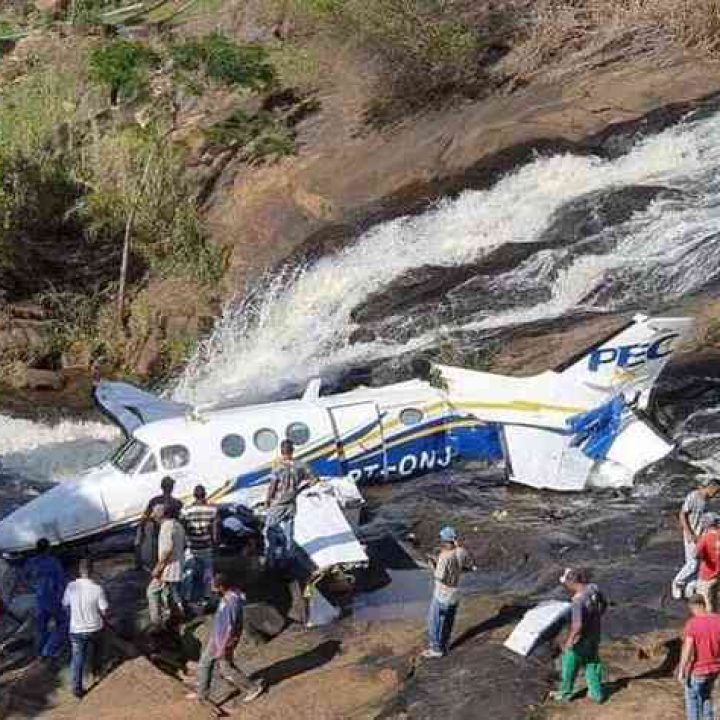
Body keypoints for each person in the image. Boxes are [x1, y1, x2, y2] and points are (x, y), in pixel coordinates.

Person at [191, 572, 264, 707]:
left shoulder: (231, 602)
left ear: (221, 587)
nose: (211, 587)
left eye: (213, 585)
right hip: (217, 636)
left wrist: (222, 647)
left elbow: (230, 628)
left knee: (225, 667)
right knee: (206, 663)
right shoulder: (229, 595)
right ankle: (201, 693)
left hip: (223, 640)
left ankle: (252, 688)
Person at [550, 567, 607, 704]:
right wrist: (596, 618)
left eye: (566, 583)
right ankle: (596, 693)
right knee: (592, 662)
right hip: (595, 634)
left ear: (572, 582)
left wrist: (570, 640)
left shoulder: (577, 601)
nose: (565, 586)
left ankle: (564, 693)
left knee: (569, 664)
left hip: (581, 639)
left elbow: (577, 625)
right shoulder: (593, 588)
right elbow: (604, 604)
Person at [422, 526, 476, 659]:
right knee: (448, 621)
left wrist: (433, 566)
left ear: (445, 540)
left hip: (442, 594)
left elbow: (440, 577)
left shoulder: (444, 556)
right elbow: (469, 567)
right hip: (455, 593)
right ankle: (445, 645)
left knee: (434, 622)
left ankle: (436, 649)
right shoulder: (462, 551)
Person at [264, 439, 317, 567]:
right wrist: (299, 490)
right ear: (292, 450)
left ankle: (270, 560)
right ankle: (287, 559)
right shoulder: (301, 465)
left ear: (281, 451)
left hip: (278, 503)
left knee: (270, 531)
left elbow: (273, 486)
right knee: (289, 533)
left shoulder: (278, 467)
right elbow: (314, 480)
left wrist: (267, 500)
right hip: (291, 503)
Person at [62, 559, 109, 699]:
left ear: (79, 570)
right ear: (92, 571)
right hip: (95, 628)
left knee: (77, 659)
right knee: (98, 649)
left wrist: (72, 615)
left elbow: (65, 605)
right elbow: (104, 610)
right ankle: (97, 672)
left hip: (76, 630)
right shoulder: (97, 588)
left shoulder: (71, 587)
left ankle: (77, 688)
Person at [674, 479, 720, 600]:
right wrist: (689, 533)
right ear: (710, 487)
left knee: (699, 565)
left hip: (703, 536)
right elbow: (682, 514)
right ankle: (678, 582)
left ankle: (689, 590)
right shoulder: (693, 497)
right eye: (716, 491)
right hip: (692, 535)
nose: (716, 494)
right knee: (693, 564)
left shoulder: (710, 501)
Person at [23, 538, 67, 660]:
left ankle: (40, 652)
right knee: (63, 623)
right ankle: (49, 650)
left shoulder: (31, 562)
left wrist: (33, 586)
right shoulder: (54, 562)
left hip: (39, 598)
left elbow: (24, 578)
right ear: (48, 549)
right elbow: (61, 581)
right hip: (53, 598)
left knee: (41, 626)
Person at [679, 594, 720, 720]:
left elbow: (687, 649)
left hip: (698, 670)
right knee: (706, 697)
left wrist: (681, 670)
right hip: (715, 669)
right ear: (704, 604)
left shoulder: (692, 624)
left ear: (693, 607)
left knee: (692, 702)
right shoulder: (718, 620)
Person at [147, 503, 186, 626]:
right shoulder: (177, 525)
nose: (153, 516)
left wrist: (158, 568)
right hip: (177, 565)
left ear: (160, 515)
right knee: (169, 594)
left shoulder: (166, 527)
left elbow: (167, 550)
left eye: (154, 514)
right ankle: (175, 616)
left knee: (152, 591)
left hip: (168, 568)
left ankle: (156, 622)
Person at [182, 485, 219, 607]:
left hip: (192, 546)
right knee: (208, 572)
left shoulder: (187, 510)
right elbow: (214, 531)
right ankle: (207, 597)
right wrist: (215, 544)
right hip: (206, 546)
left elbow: (185, 528)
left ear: (194, 495)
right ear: (205, 495)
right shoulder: (212, 510)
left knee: (189, 572)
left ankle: (186, 597)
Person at [135, 476, 183, 570]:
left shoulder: (154, 501)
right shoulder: (177, 503)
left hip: (156, 532)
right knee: (168, 556)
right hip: (170, 534)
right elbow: (179, 521)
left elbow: (145, 517)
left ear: (162, 487)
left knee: (156, 555)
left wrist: (141, 531)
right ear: (172, 488)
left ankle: (155, 570)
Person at [697, 514, 720, 613]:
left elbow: (697, 554)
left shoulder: (705, 538)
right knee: (715, 599)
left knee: (706, 602)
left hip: (708, 574)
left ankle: (710, 620)